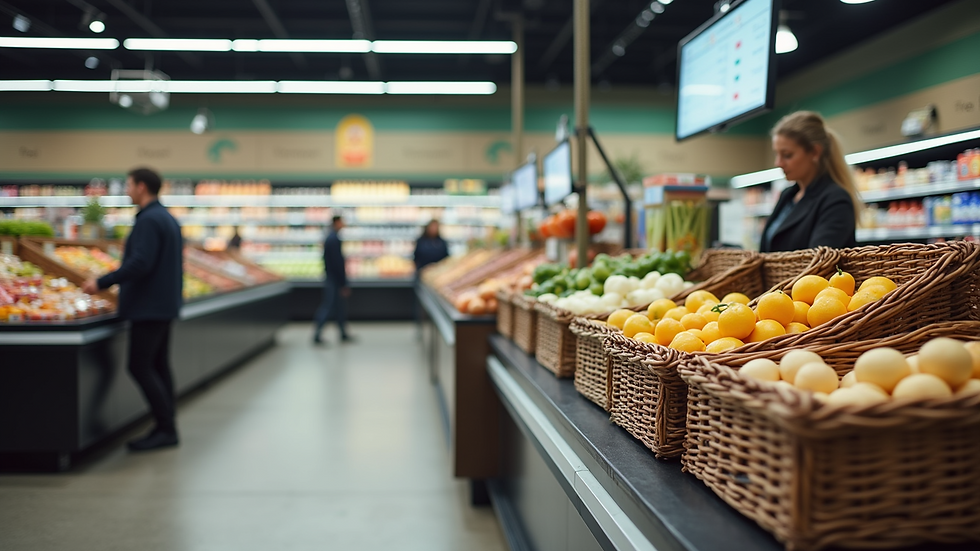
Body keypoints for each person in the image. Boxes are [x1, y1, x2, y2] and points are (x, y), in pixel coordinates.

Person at [82, 167, 183, 452]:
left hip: (148, 307)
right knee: (159, 366)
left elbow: (141, 263)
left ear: (141, 187)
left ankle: (166, 428)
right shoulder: (167, 218)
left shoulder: (149, 220)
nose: (126, 190)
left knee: (139, 366)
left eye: (128, 184)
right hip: (163, 305)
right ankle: (167, 425)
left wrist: (102, 282)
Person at [760, 111, 861, 253]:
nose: (778, 163)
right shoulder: (787, 195)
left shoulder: (835, 199)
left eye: (787, 155)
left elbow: (819, 261)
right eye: (777, 154)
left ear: (815, 152)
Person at [313, 215, 353, 344]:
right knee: (329, 306)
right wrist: (343, 282)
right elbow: (337, 263)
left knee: (340, 307)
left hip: (332, 277)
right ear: (337, 222)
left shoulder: (331, 237)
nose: (344, 224)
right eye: (342, 222)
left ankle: (343, 333)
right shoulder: (334, 239)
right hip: (334, 279)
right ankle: (317, 334)